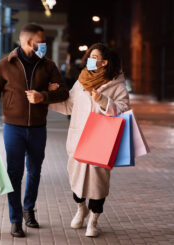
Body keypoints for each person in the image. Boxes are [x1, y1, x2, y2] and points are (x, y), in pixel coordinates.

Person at [0, 23, 69, 238]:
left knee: (35, 171)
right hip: (13, 129)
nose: (44, 44)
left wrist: (43, 96)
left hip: (38, 128)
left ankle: (29, 208)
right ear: (29, 42)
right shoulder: (5, 65)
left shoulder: (48, 66)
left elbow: (64, 92)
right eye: (42, 41)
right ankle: (16, 219)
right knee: (14, 174)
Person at [49, 43, 130, 237]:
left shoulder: (116, 85)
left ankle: (93, 220)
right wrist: (46, 99)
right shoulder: (81, 81)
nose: (90, 59)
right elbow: (69, 106)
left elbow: (124, 109)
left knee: (98, 183)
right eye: (89, 56)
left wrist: (103, 101)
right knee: (75, 179)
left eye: (94, 57)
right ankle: (80, 209)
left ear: (105, 62)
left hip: (101, 140)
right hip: (78, 138)